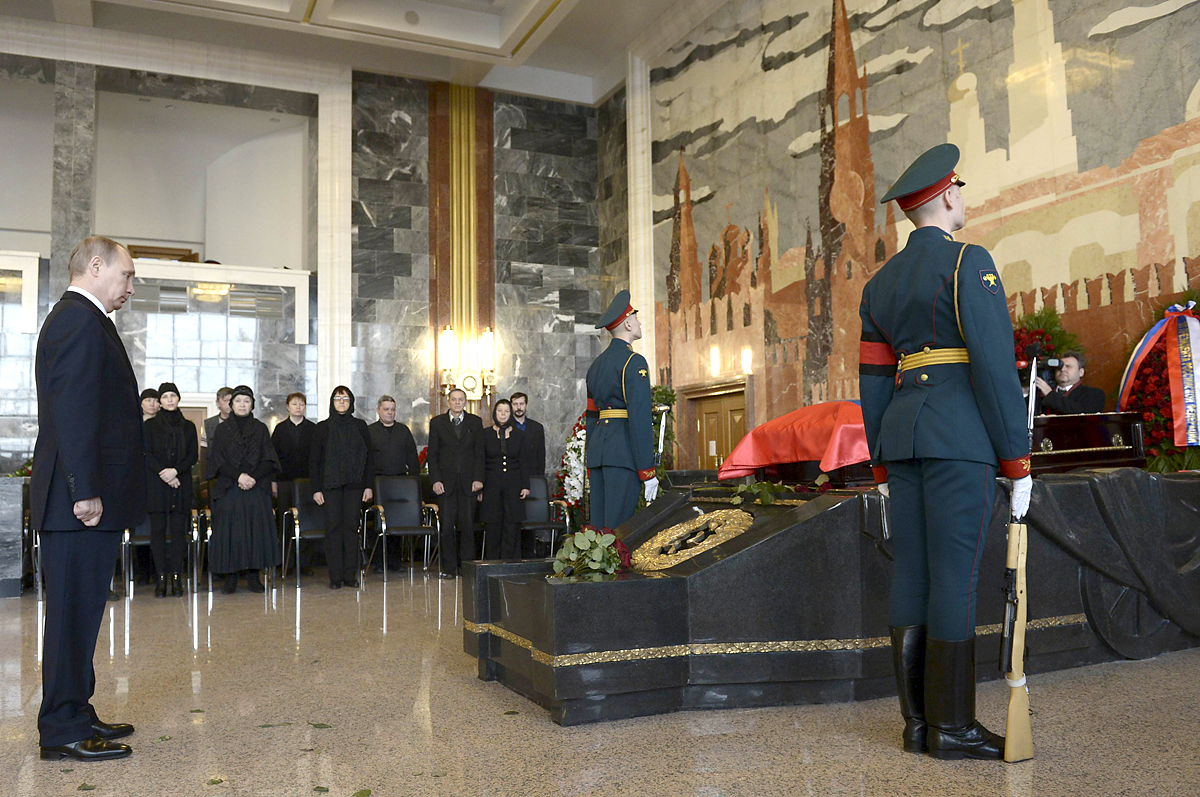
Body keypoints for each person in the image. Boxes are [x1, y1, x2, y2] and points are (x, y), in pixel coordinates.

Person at [860, 143, 1033, 761]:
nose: (964, 198)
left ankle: (917, 725)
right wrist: (1017, 458)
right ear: (947, 197)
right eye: (960, 189)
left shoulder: (879, 285)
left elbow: (874, 380)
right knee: (955, 580)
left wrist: (880, 461)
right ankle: (952, 729)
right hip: (960, 439)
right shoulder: (970, 263)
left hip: (902, 439)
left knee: (912, 573)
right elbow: (991, 367)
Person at [32, 235, 142, 761]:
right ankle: (60, 729)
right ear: (96, 266)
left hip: (84, 501)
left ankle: (76, 709)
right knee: (71, 617)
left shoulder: (85, 319)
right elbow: (74, 412)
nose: (130, 286)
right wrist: (85, 492)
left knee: (81, 613)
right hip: (78, 503)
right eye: (126, 275)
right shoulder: (78, 320)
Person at [584, 290, 658, 530]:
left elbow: (591, 417)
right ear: (627, 323)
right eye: (636, 318)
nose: (639, 322)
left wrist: (590, 459)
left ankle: (594, 570)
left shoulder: (596, 366)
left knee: (598, 532)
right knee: (618, 532)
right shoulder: (634, 362)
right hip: (623, 455)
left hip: (599, 455)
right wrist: (647, 471)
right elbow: (639, 419)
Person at [206, 385, 280, 594]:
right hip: (230, 485)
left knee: (255, 531)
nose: (242, 405)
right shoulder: (222, 429)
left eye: (246, 401)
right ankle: (230, 577)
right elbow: (217, 460)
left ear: (252, 405)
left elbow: (268, 458)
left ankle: (253, 576)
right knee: (230, 531)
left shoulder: (260, 428)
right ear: (230, 404)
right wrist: (239, 476)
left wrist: (252, 478)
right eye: (238, 401)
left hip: (256, 486)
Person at [309, 386, 374, 589]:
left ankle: (350, 575)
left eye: (345, 398)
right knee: (333, 529)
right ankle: (335, 577)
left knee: (351, 529)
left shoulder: (361, 426)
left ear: (351, 402)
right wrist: (316, 489)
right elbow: (315, 461)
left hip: (355, 486)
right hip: (330, 486)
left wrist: (369, 486)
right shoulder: (322, 428)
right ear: (332, 402)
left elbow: (369, 458)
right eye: (338, 398)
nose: (342, 402)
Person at [143, 382, 197, 598]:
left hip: (181, 482)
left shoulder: (189, 426)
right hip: (157, 484)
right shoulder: (150, 426)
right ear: (160, 401)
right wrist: (165, 474)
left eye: (173, 395)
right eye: (165, 397)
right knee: (157, 532)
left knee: (178, 533)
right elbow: (147, 453)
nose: (169, 400)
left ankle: (176, 577)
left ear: (178, 398)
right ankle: (161, 578)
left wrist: (175, 471)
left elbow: (192, 455)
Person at [427, 388, 484, 578]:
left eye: (461, 400)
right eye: (454, 399)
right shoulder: (437, 423)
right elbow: (432, 455)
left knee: (467, 526)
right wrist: (435, 480)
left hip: (469, 484)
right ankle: (449, 568)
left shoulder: (475, 422)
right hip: (445, 483)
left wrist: (478, 479)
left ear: (465, 402)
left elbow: (479, 454)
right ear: (448, 402)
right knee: (447, 526)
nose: (457, 403)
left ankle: (467, 567)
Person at [479, 399, 531, 560]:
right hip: (490, 486)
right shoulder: (485, 434)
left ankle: (511, 562)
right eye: (500, 411)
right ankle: (492, 563)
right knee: (493, 525)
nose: (503, 414)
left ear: (510, 414)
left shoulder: (519, 435)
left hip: (514, 485)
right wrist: (479, 486)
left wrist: (525, 485)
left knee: (512, 525)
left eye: (506, 411)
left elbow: (524, 461)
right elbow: (480, 460)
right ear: (495, 413)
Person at [1036, 351, 1105, 414]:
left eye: (1068, 366)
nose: (1062, 369)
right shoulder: (1040, 394)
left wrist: (1050, 394)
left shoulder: (1094, 394)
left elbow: (1082, 413)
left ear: (1081, 372)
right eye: (1059, 367)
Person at [509, 392, 546, 477]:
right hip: (511, 476)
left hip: (532, 475)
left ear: (526, 405)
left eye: (521, 404)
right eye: (515, 404)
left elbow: (540, 456)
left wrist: (539, 477)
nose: (518, 407)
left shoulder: (537, 428)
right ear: (511, 406)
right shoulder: (506, 427)